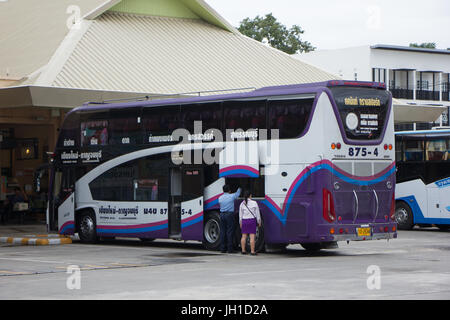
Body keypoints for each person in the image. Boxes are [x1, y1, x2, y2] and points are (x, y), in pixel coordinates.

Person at [218, 184, 241, 253]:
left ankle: (222, 248)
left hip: (222, 214)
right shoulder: (231, 196)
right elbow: (238, 193)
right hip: (229, 215)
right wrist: (240, 186)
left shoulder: (220, 198)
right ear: (229, 190)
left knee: (223, 231)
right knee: (230, 232)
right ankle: (230, 249)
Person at [239, 190, 261, 255]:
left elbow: (240, 215)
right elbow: (257, 213)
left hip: (244, 221)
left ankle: (243, 250)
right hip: (252, 221)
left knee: (243, 236)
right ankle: (252, 251)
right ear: (250, 195)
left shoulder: (242, 204)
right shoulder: (254, 203)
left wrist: (240, 222)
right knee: (252, 237)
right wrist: (259, 221)